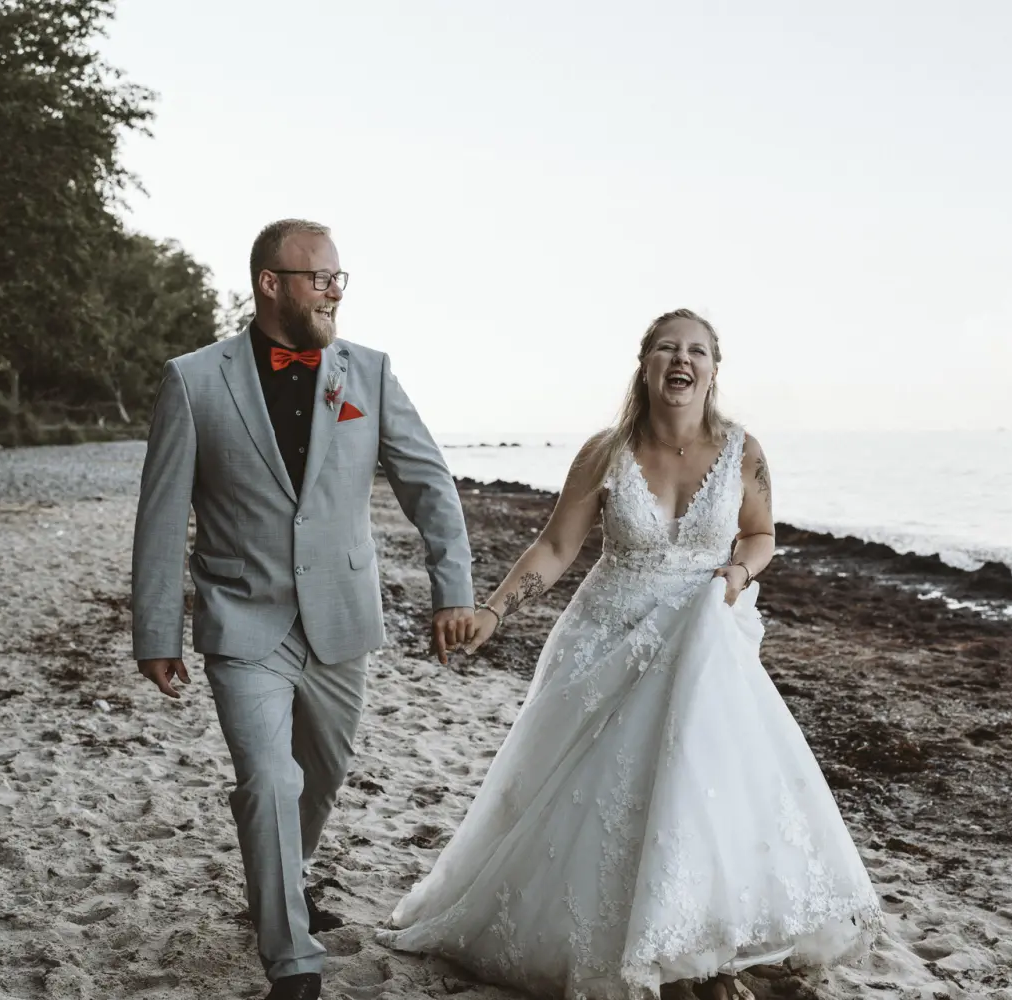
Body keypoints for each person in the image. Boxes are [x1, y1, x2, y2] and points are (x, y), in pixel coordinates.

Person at [378, 308, 882, 1000]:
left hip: (704, 636)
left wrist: (738, 572)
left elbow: (761, 534)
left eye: (697, 351)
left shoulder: (744, 451)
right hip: (607, 636)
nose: (682, 360)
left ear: (713, 370)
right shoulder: (605, 452)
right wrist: (494, 610)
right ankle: (640, 952)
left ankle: (700, 953)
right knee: (603, 798)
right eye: (667, 349)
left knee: (700, 788)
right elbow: (556, 547)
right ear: (644, 364)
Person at [131, 219, 477, 1000]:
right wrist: (156, 629)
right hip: (242, 617)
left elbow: (429, 482)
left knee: (321, 775)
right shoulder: (193, 379)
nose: (333, 292)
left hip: (341, 617)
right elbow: (162, 513)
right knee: (268, 780)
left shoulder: (369, 373)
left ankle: (286, 877)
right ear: (270, 283)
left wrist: (451, 587)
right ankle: (292, 963)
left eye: (337, 279)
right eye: (319, 278)